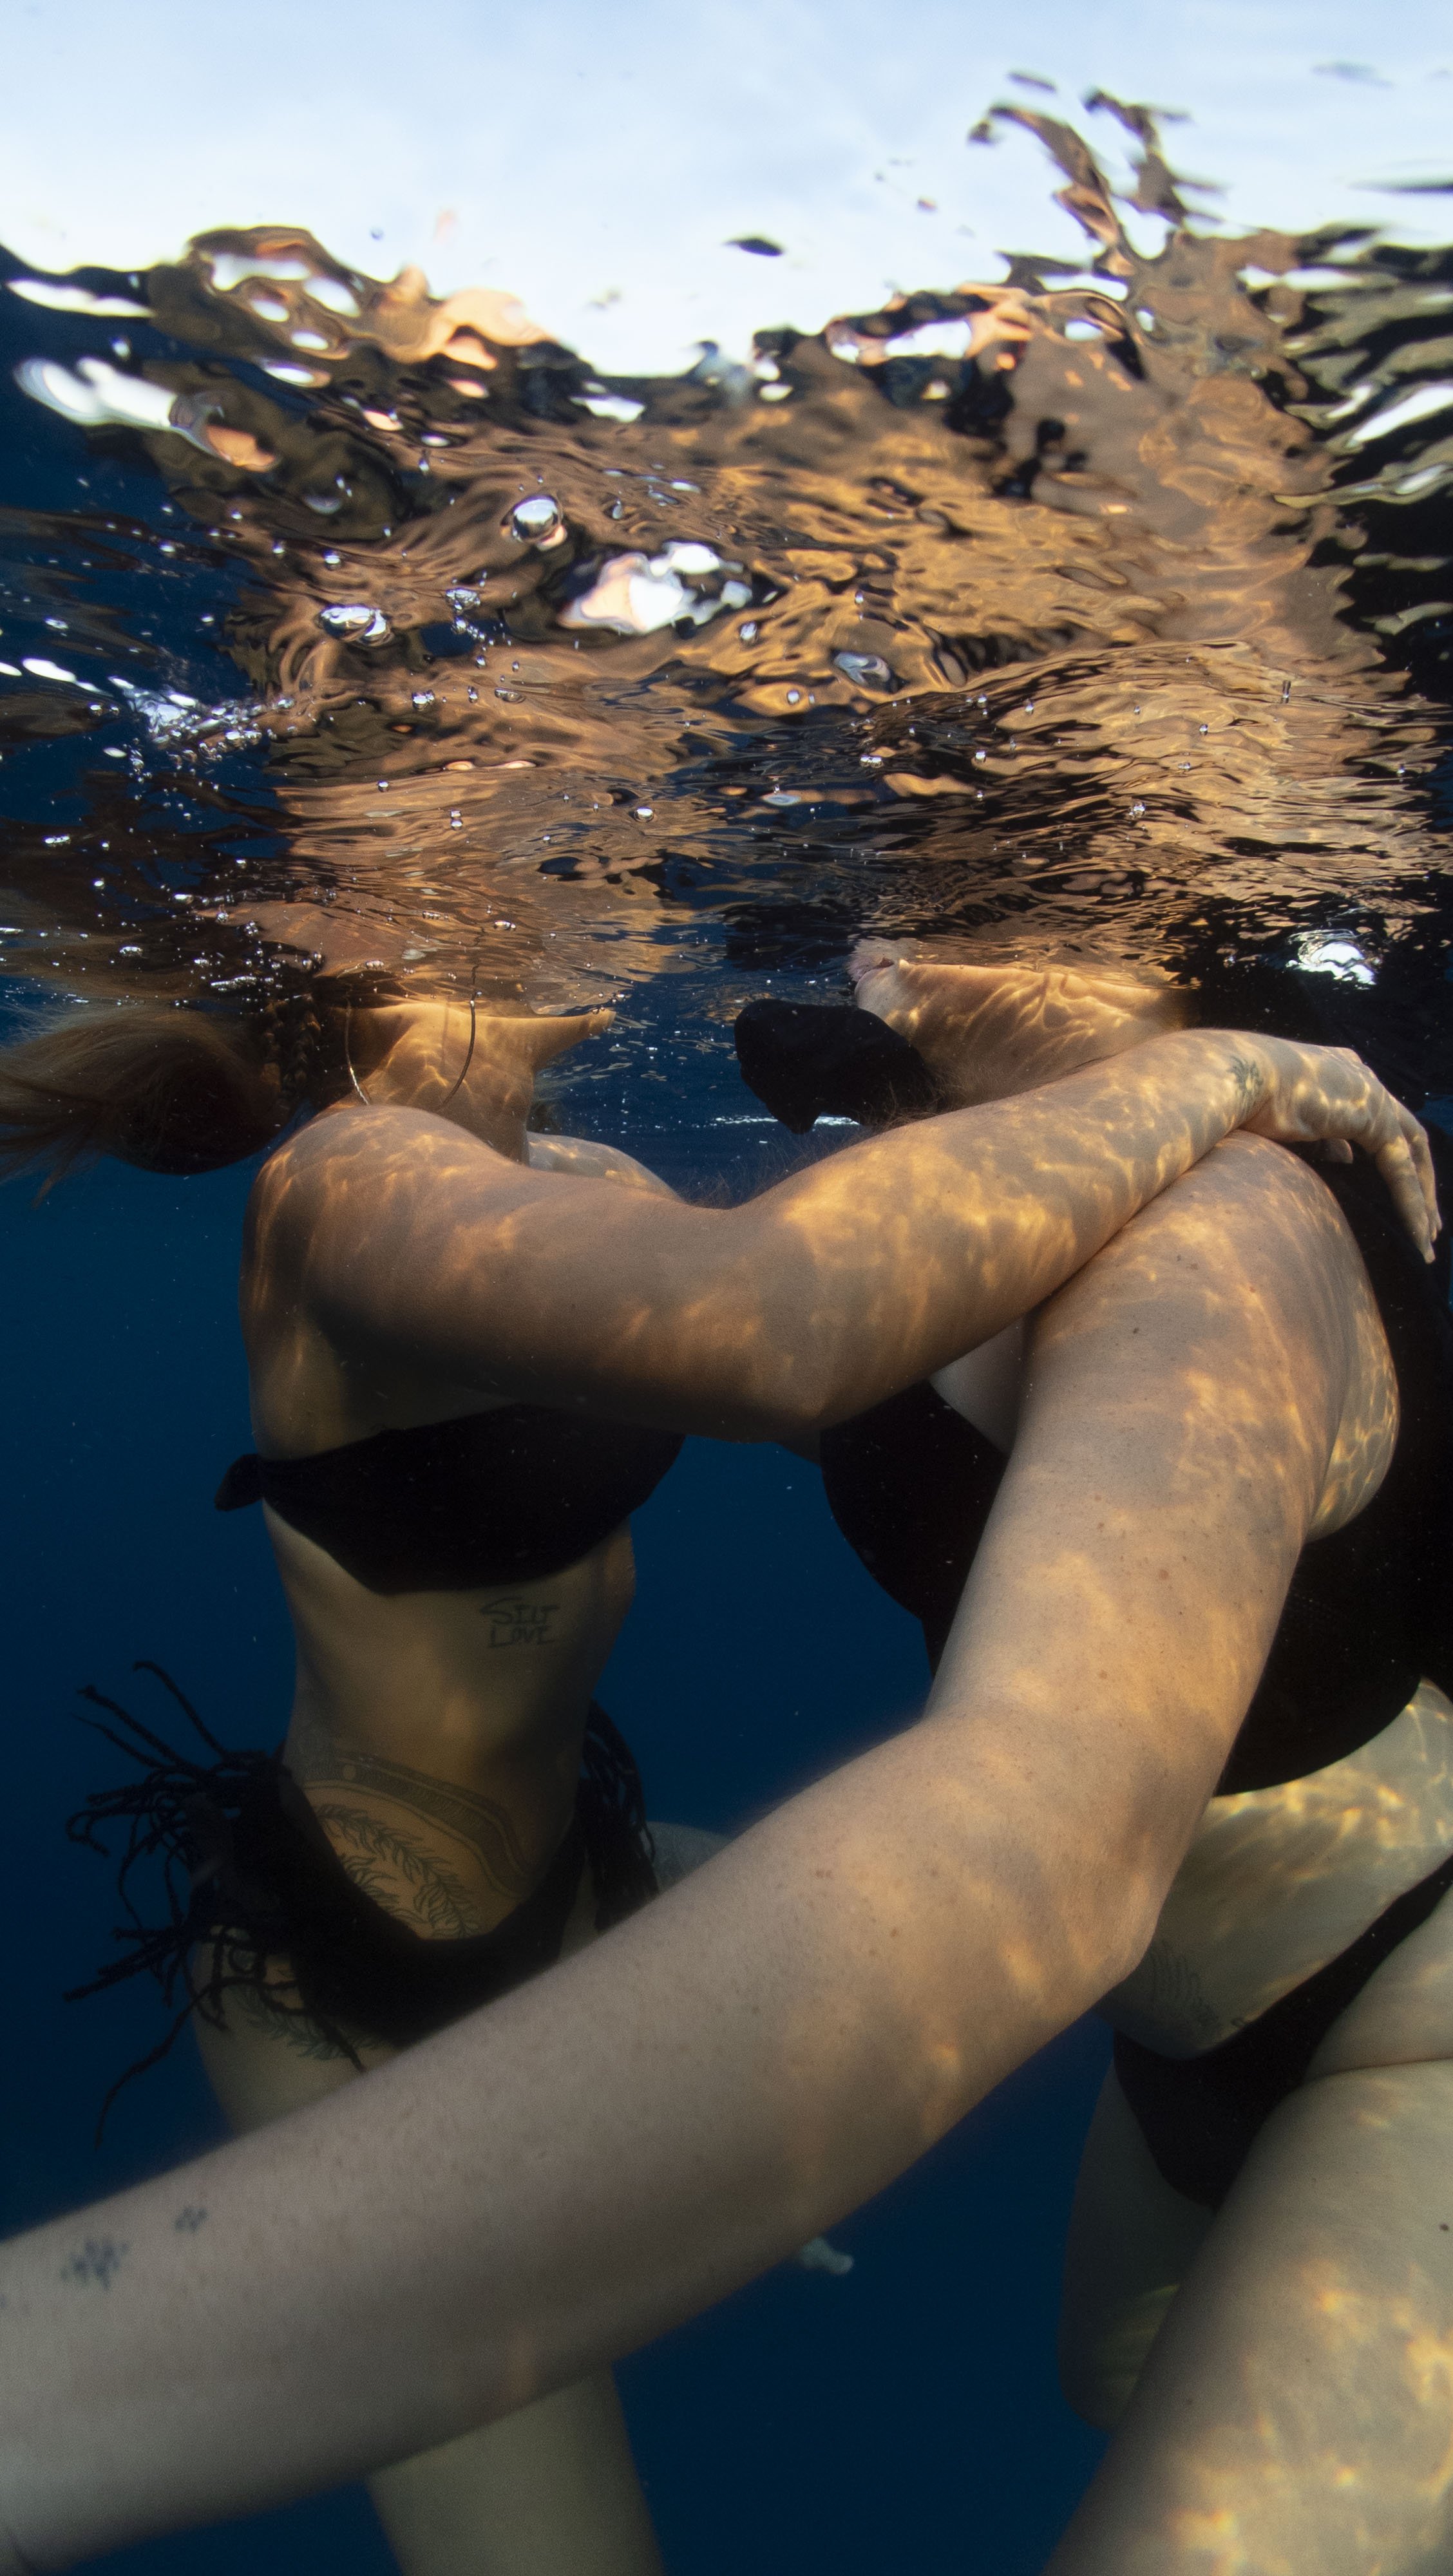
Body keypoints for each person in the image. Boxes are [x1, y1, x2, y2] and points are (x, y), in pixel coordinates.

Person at [0, 956, 1435, 2572]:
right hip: (359, 1953)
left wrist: (750, 2100)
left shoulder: (570, 1184)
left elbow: (878, 1311)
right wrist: (1215, 1075)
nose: (608, 910)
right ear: (410, 956)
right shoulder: (354, 1175)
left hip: (574, 1870)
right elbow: (784, 1317)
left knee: (1125, 2370)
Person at [761, 943, 1453, 2574]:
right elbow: (758, 1348)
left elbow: (1038, 1818)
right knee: (1111, 2383)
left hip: (1414, 2004)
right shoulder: (938, 1182)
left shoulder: (1237, 1227)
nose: (880, 943)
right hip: (1172, 2042)